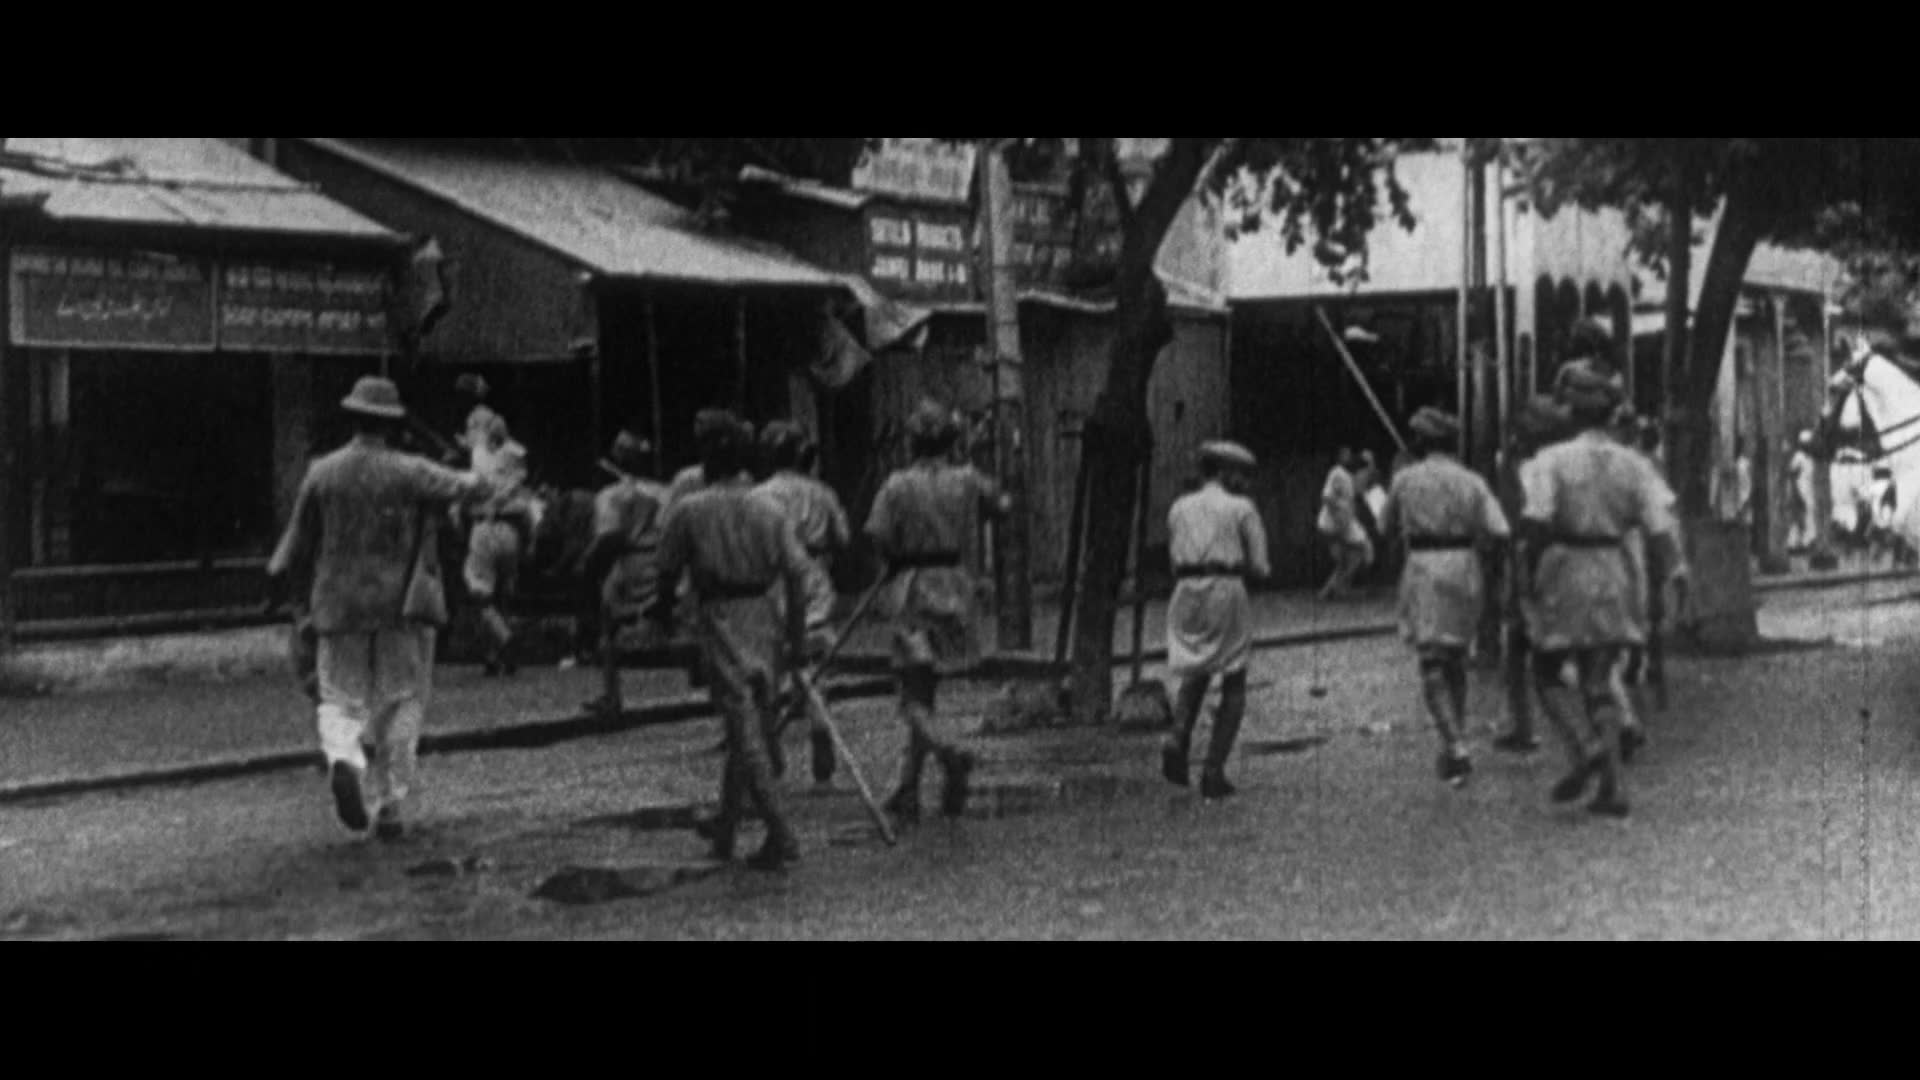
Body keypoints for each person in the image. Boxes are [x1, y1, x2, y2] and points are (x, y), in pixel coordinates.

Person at [267, 377, 493, 840]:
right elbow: (477, 488)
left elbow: (294, 545)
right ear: (391, 425)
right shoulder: (410, 470)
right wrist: (472, 453)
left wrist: (290, 597)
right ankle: (390, 803)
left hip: (336, 605)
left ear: (353, 419)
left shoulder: (322, 472)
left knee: (339, 698)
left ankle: (345, 759)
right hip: (399, 607)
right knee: (401, 700)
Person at [1520, 361, 1685, 819]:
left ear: (1570, 412)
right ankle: (1612, 785)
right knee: (1599, 679)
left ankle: (1584, 745)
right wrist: (1676, 571)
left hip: (1567, 567)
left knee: (1546, 671)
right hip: (1615, 569)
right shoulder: (1634, 464)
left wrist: (1526, 578)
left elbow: (1537, 522)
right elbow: (1660, 529)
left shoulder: (1550, 461)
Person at [649, 411, 810, 872]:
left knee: (744, 727)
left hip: (720, 615)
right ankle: (725, 827)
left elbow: (665, 572)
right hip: (765, 612)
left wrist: (662, 614)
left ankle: (781, 831)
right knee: (754, 720)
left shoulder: (690, 509)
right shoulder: (770, 509)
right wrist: (796, 637)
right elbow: (797, 575)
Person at [864, 399, 1010, 822]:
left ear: (912, 442)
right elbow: (1003, 505)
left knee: (911, 695)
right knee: (925, 691)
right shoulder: (967, 479)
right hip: (956, 587)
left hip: (914, 589)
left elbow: (877, 535)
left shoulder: (897, 485)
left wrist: (897, 553)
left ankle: (950, 751)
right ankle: (907, 787)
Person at [1379, 409, 1510, 786]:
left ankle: (1455, 745)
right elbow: (1500, 530)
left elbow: (1384, 527)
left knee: (1431, 661)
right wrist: (1490, 566)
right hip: (1466, 566)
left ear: (1420, 442)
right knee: (1455, 657)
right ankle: (1456, 738)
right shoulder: (1472, 481)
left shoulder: (1405, 479)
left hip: (1424, 565)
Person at [1160, 441, 1271, 799]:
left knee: (1197, 668)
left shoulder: (1179, 507)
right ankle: (1213, 770)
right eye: (1240, 475)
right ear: (1225, 474)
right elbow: (1260, 566)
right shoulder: (1241, 508)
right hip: (1225, 588)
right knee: (1234, 677)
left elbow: (1172, 559)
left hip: (1184, 591)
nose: (1245, 483)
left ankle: (1177, 736)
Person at [754, 421, 852, 785]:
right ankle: (819, 722)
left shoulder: (760, 496)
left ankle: (771, 748)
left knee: (768, 666)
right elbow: (842, 538)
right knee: (814, 664)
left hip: (776, 579)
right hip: (815, 573)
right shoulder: (822, 492)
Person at [1492, 396, 1573, 754]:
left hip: (1531, 557)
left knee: (1530, 648)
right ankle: (1521, 724)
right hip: (1564, 560)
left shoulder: (1530, 469)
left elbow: (1519, 519)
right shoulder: (1565, 463)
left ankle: (1534, 728)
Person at [580, 430, 669, 718]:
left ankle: (611, 694)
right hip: (659, 559)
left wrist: (588, 564)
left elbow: (609, 537)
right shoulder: (664, 492)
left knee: (608, 627)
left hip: (628, 562)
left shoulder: (612, 495)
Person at [460, 440, 537, 676]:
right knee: (503, 596)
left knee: (481, 596)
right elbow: (529, 517)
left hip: (483, 527)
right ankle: (495, 657)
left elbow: (460, 509)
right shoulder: (517, 487)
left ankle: (504, 640)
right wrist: (529, 544)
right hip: (511, 532)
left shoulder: (478, 480)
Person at [1317, 447, 1372, 600]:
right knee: (1360, 550)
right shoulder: (1337, 473)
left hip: (1343, 523)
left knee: (1346, 559)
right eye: (1345, 455)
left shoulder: (1348, 476)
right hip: (1334, 524)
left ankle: (1328, 591)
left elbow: (1355, 495)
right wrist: (1340, 513)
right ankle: (1338, 588)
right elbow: (1327, 497)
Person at [1786, 431, 1818, 554]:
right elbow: (1792, 475)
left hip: (1808, 491)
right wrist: (1795, 493)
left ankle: (1806, 543)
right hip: (1800, 491)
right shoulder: (1798, 457)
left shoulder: (1810, 458)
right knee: (1798, 518)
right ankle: (1793, 544)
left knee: (1808, 517)